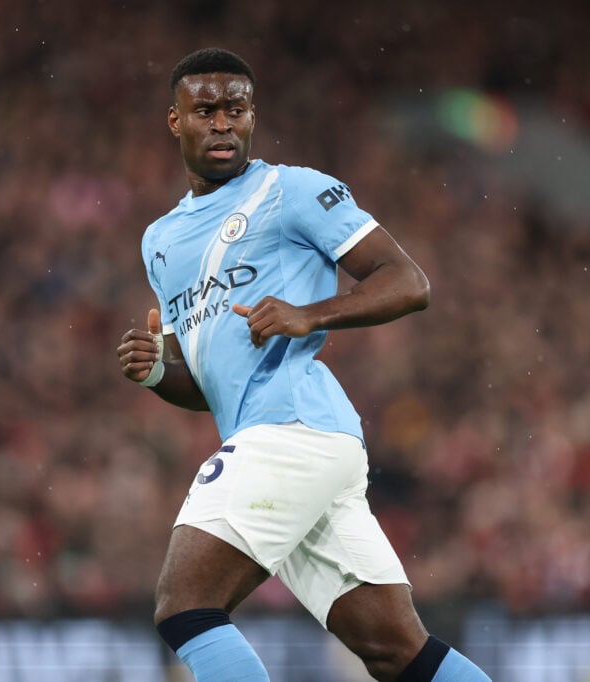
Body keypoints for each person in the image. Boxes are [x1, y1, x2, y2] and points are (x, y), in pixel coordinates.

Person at [117, 47, 490, 681]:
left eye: (235, 110)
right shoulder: (161, 241)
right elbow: (207, 381)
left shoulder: (291, 189)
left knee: (185, 605)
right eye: (204, 110)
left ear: (252, 116)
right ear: (175, 121)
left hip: (292, 429)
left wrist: (310, 314)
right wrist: (157, 369)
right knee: (398, 653)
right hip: (296, 444)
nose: (222, 124)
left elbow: (408, 280)